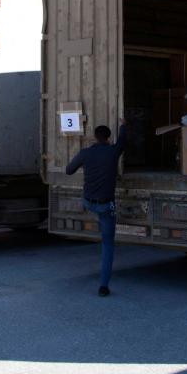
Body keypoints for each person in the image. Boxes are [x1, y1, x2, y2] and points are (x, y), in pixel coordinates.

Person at [65, 119, 127, 297]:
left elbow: (69, 170)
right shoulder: (113, 152)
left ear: (95, 137)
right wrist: (123, 125)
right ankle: (103, 286)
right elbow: (122, 141)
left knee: (97, 212)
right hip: (106, 205)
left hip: (88, 202)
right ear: (108, 138)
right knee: (108, 244)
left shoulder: (86, 153)